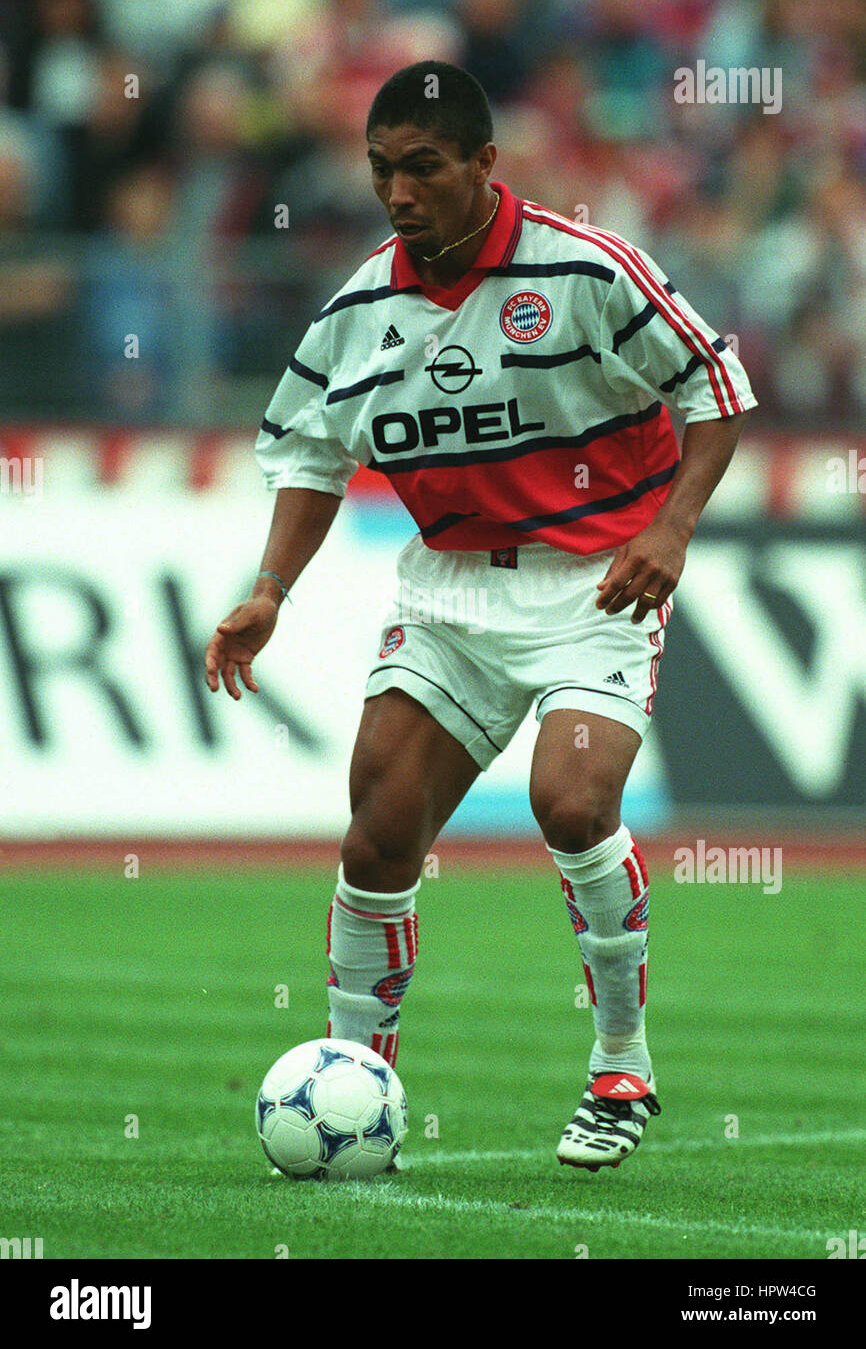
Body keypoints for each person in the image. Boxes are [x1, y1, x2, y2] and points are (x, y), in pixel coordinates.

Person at [204, 61, 757, 1171]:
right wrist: (271, 587)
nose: (398, 193)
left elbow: (714, 386)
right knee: (373, 835)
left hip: (594, 578)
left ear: (482, 163)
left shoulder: (585, 268)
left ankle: (621, 1064)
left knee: (569, 801)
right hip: (447, 592)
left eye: (422, 167)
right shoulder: (359, 305)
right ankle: (357, 1079)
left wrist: (669, 529)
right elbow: (312, 451)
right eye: (380, 170)